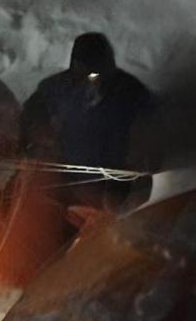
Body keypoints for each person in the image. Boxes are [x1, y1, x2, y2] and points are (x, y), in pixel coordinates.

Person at [20, 32, 154, 211]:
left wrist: (142, 164)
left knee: (109, 223)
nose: (90, 80)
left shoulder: (129, 91)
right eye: (81, 71)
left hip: (113, 180)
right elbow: (33, 112)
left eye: (94, 73)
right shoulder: (60, 87)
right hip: (69, 176)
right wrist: (35, 136)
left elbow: (150, 132)